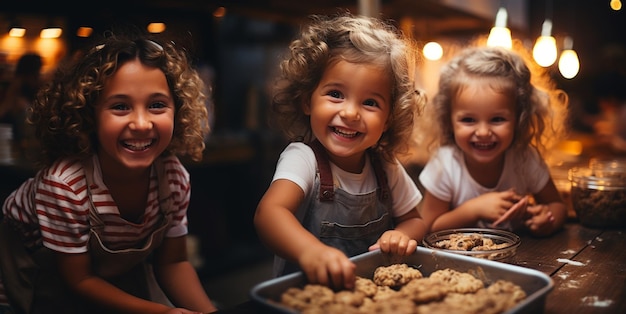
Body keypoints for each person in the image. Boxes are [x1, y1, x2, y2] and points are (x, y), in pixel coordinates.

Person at [0, 31, 217, 313]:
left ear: (178, 110)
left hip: (105, 280)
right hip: (33, 282)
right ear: (89, 115)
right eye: (120, 106)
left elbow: (173, 263)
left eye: (156, 105)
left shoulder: (172, 178)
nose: (141, 123)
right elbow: (79, 279)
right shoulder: (65, 185)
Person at [254, 13, 430, 290]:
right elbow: (270, 214)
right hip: (307, 298)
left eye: (370, 102)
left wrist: (400, 236)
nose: (349, 113)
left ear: (388, 120)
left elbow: (415, 221)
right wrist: (311, 252)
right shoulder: (302, 158)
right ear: (307, 101)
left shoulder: (386, 166)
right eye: (335, 94)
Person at [418, 45, 569, 237]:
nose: (483, 132)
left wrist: (547, 219)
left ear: (519, 119)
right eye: (468, 120)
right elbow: (429, 227)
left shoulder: (525, 158)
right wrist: (474, 209)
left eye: (497, 119)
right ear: (449, 121)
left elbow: (558, 207)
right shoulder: (445, 164)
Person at [0, 53, 43, 153]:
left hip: (20, 148)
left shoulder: (33, 93)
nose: (38, 78)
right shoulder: (12, 92)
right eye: (37, 74)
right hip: (10, 149)